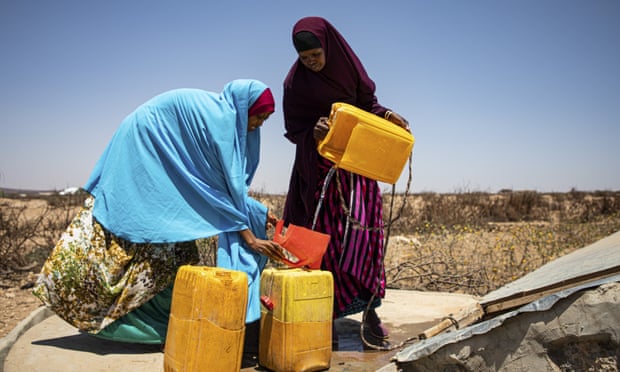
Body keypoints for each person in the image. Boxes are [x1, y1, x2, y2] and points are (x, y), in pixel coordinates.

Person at [33, 79, 286, 345]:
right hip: (144, 149)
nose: (259, 125)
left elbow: (222, 188)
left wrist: (257, 212)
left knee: (173, 248)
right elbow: (216, 192)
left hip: (157, 151)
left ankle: (165, 323)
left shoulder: (223, 118)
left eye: (266, 120)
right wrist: (250, 238)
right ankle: (92, 307)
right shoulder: (220, 124)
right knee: (138, 237)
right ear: (243, 109)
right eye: (258, 117)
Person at [282, 17, 410, 342]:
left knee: (365, 242)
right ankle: (326, 318)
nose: (311, 63)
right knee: (327, 243)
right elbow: (295, 128)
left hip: (358, 170)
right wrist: (314, 132)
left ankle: (370, 311)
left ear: (328, 47)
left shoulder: (350, 69)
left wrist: (388, 116)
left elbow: (369, 106)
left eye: (316, 55)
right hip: (321, 174)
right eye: (305, 58)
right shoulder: (294, 85)